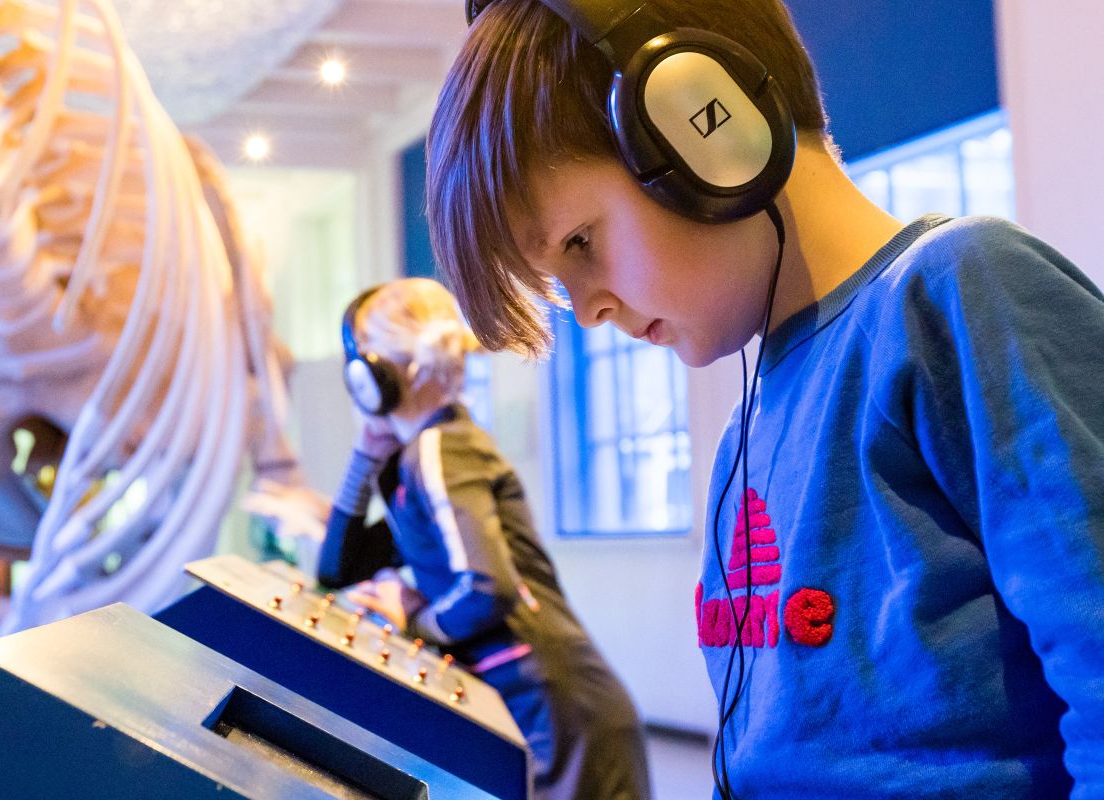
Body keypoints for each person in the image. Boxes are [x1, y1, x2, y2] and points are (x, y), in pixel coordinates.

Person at [424, 1, 1104, 798]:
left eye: (581, 242)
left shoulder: (959, 291)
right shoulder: (750, 424)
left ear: (700, 130)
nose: (589, 310)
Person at [318, 277, 650, 800]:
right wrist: (364, 457)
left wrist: (416, 619)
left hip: (561, 709)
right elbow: (336, 570)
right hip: (557, 705)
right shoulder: (425, 459)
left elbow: (485, 588)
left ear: (373, 375)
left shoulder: (438, 452)